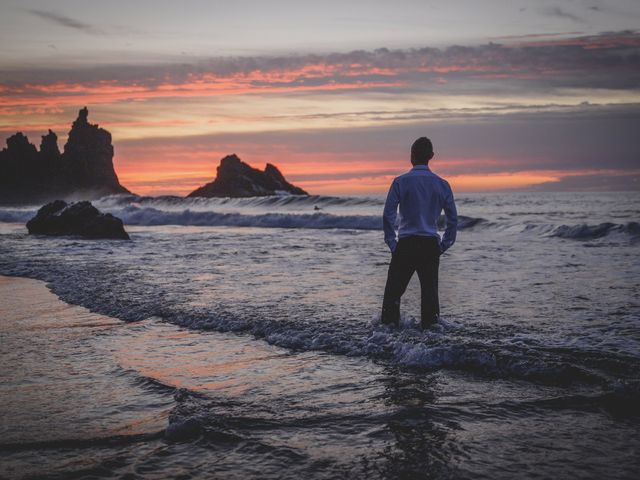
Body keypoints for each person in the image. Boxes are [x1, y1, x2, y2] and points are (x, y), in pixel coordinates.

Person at [381, 137, 458, 329]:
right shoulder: (442, 184)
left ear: (411, 156)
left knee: (393, 295)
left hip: (406, 243)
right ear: (431, 156)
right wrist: (444, 245)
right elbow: (453, 219)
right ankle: (431, 345)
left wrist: (392, 242)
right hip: (430, 244)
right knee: (430, 297)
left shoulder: (400, 182)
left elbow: (388, 214)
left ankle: (387, 340)